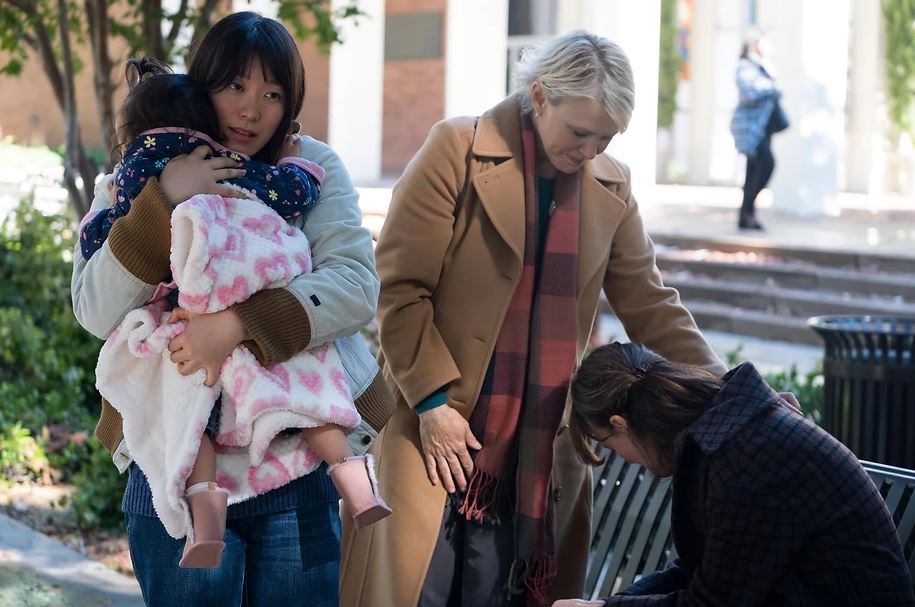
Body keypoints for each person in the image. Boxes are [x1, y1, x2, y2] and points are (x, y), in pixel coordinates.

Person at [340, 31, 728, 607]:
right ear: (540, 96)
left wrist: (731, 390)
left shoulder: (611, 185)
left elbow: (650, 304)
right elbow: (399, 289)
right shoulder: (455, 150)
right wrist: (430, 403)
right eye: (579, 132)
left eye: (606, 137)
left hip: (539, 450)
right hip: (436, 427)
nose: (590, 151)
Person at [71, 11, 391, 606]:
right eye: (235, 87)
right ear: (202, 85)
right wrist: (166, 198)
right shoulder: (137, 173)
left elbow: (352, 284)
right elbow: (93, 310)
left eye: (272, 94)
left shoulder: (306, 169)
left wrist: (238, 324)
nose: (252, 110)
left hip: (294, 461)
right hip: (172, 463)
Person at [557, 342, 914, 607]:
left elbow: (714, 603)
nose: (623, 458)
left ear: (620, 424)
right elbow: (706, 573)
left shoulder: (747, 456)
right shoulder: (725, 433)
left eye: (606, 442)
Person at [729, 30, 788, 231]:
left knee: (753, 171)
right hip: (750, 128)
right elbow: (750, 91)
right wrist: (772, 87)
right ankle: (747, 211)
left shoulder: (763, 66)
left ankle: (746, 216)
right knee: (767, 164)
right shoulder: (745, 66)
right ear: (754, 44)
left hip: (764, 127)